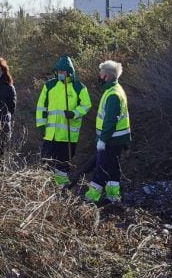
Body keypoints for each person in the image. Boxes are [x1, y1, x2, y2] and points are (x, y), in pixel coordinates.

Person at [35, 55, 91, 187]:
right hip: (50, 135)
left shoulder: (79, 87)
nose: (60, 74)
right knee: (46, 163)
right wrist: (41, 124)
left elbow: (86, 105)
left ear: (69, 72)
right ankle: (45, 187)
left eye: (63, 71)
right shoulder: (49, 86)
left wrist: (74, 113)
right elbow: (41, 106)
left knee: (63, 166)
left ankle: (61, 190)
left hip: (68, 136)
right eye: (59, 71)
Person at [84, 60, 130, 204]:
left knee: (101, 169)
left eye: (101, 74)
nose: (99, 76)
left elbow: (110, 121)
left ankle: (90, 199)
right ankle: (113, 197)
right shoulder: (114, 90)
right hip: (116, 140)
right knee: (113, 169)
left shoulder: (113, 94)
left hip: (111, 140)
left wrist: (103, 140)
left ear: (106, 76)